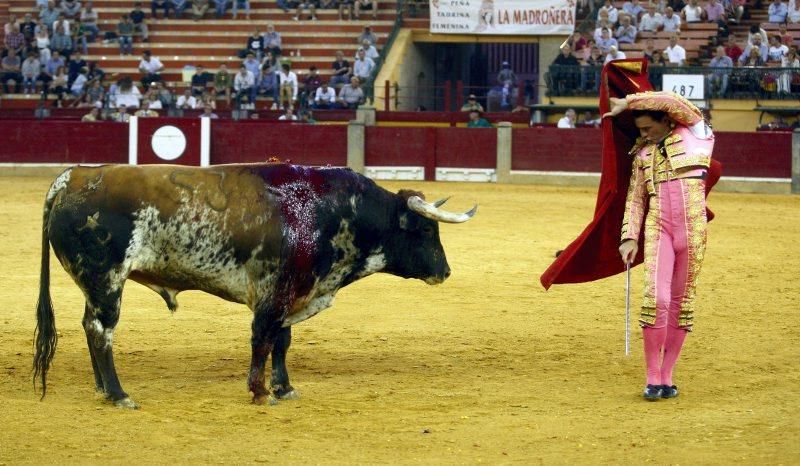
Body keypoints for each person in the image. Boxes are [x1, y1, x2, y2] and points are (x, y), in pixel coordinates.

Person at [604, 91, 714, 401]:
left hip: (693, 231)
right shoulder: (643, 155)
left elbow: (674, 102)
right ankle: (652, 377)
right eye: (640, 131)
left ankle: (667, 376)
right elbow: (636, 199)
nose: (644, 135)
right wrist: (628, 237)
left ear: (666, 121)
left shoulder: (698, 132)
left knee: (682, 303)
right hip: (659, 227)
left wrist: (630, 101)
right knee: (658, 298)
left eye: (648, 129)